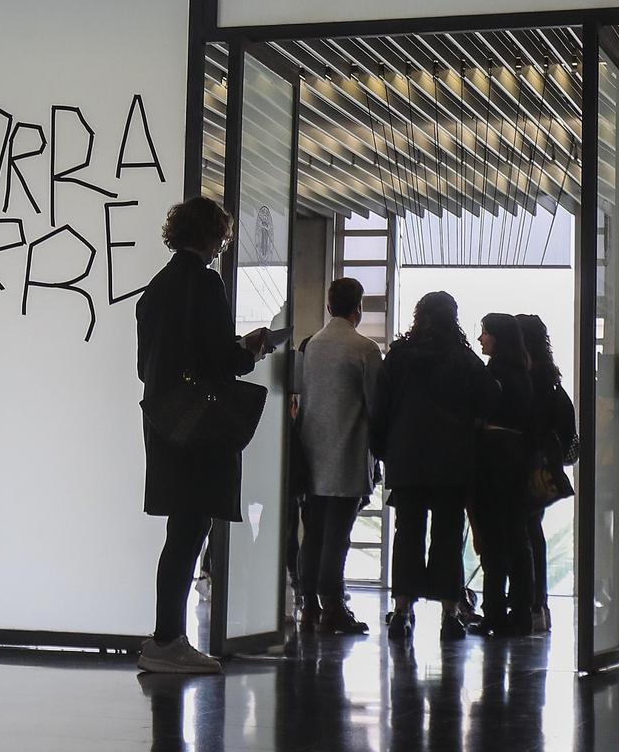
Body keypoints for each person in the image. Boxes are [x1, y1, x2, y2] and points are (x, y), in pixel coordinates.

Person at [134, 197, 270, 675]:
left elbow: (145, 365)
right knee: (191, 529)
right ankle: (167, 639)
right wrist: (249, 352)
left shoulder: (156, 289)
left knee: (182, 528)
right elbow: (218, 360)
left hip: (165, 421)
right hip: (199, 426)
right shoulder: (205, 283)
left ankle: (167, 637)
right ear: (213, 236)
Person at [372, 291, 498, 643]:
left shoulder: (397, 359)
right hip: (452, 461)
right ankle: (450, 613)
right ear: (452, 318)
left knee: (407, 533)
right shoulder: (463, 359)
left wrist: (382, 448)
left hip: (407, 459)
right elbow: (492, 395)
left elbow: (379, 409)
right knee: (446, 536)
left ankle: (402, 611)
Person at [292, 277, 382, 634]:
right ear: (358, 308)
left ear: (329, 306)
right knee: (337, 536)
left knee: (312, 532)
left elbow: (297, 392)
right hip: (347, 453)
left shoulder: (309, 345)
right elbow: (376, 404)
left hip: (310, 454)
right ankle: (333, 604)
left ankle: (308, 603)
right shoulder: (365, 349)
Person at [470, 312, 537, 637]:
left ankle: (493, 612)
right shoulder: (524, 374)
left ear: (496, 338)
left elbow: (478, 412)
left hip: (491, 459)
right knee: (517, 537)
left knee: (493, 541)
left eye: (484, 333)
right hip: (517, 460)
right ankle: (522, 611)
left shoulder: (492, 373)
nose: (480, 339)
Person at [516, 313, 578, 636]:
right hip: (543, 470)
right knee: (533, 532)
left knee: (522, 535)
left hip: (524, 467)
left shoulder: (527, 380)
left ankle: (530, 604)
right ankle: (539, 605)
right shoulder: (551, 380)